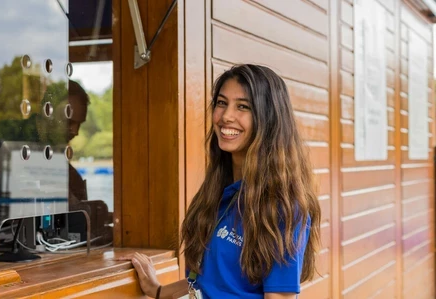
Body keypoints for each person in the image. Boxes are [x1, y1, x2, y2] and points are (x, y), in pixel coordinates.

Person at [118, 64, 321, 298]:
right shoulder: (219, 192)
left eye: (243, 107)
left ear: (269, 120)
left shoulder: (282, 208)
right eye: (222, 103)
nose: (226, 116)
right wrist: (158, 290)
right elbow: (209, 284)